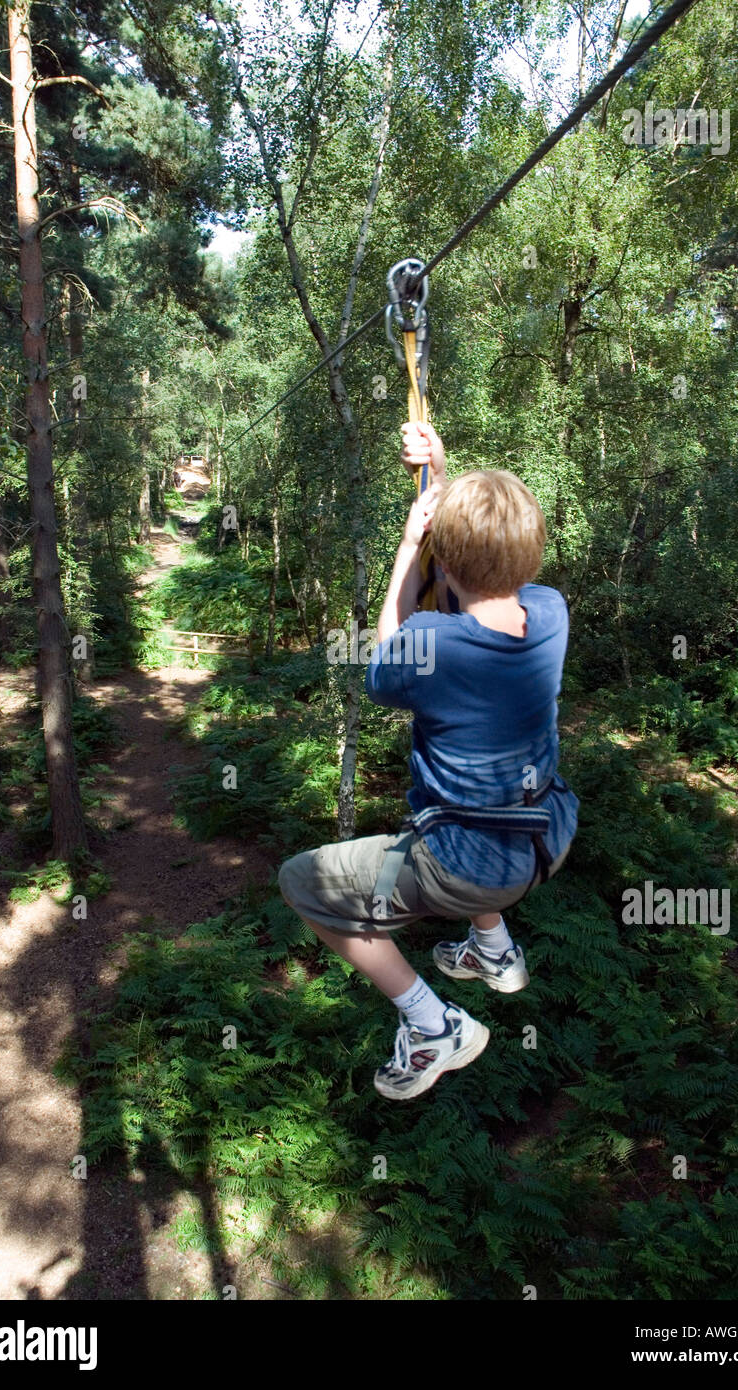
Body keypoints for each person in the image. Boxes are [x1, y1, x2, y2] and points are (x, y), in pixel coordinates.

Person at [278, 420, 579, 1100]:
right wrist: (437, 475)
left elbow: (392, 645)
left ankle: (433, 1023)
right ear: (530, 557)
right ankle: (494, 949)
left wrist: (408, 548)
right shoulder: (550, 611)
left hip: (470, 868)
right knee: (463, 801)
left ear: (444, 561)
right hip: (544, 840)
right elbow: (480, 572)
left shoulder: (436, 645)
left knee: (303, 883)